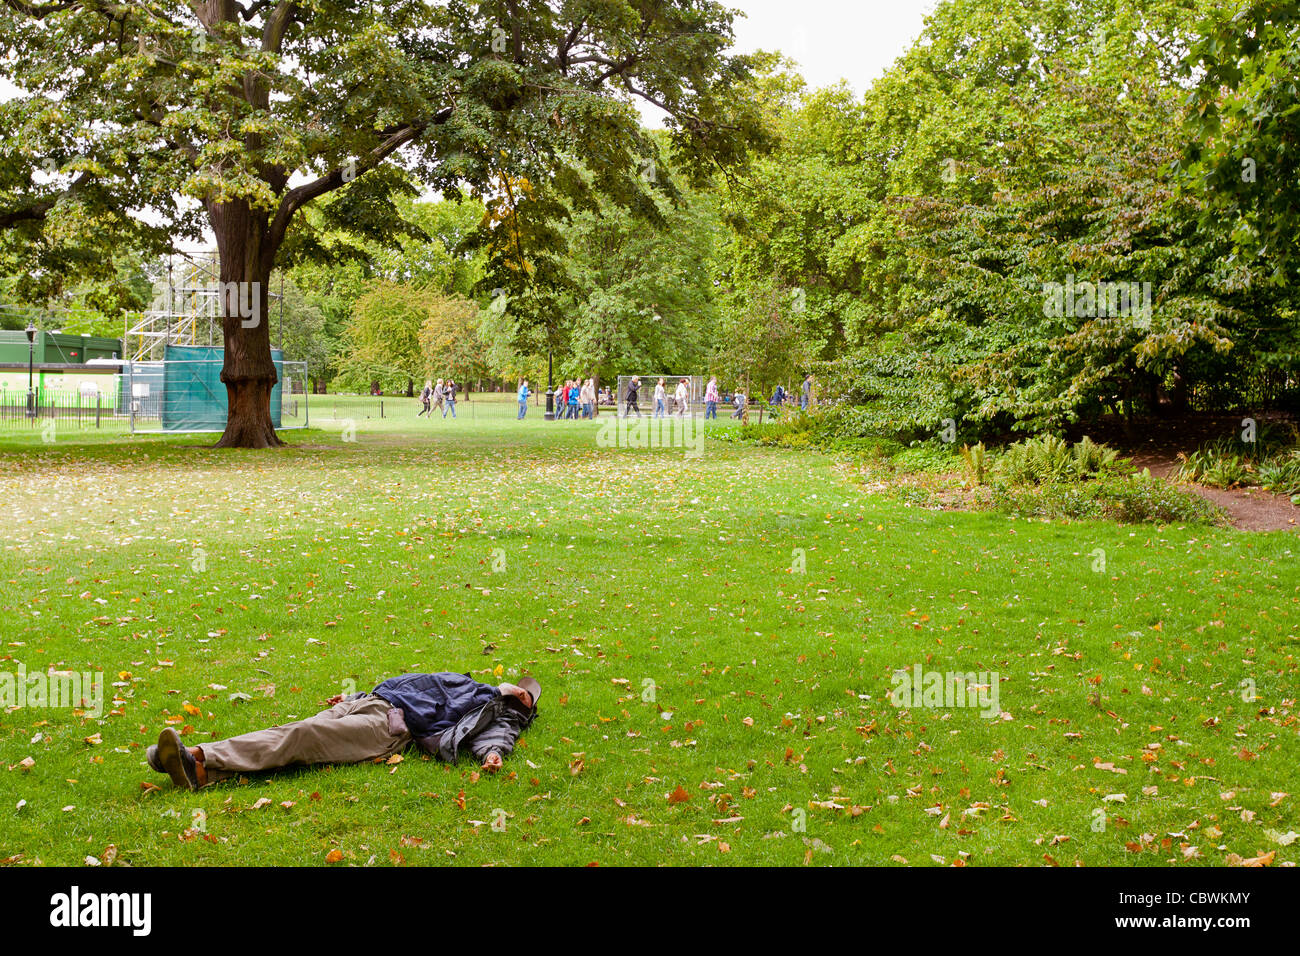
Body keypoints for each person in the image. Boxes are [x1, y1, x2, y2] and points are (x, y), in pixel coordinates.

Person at [147, 674, 542, 789]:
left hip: (390, 728)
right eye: (522, 685)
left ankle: (199, 755)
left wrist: (493, 755)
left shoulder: (498, 712)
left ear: (524, 704)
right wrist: (353, 696)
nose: (522, 688)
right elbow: (414, 686)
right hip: (369, 701)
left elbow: (498, 737)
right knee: (291, 732)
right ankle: (198, 771)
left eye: (528, 693)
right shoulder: (469, 682)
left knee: (302, 737)